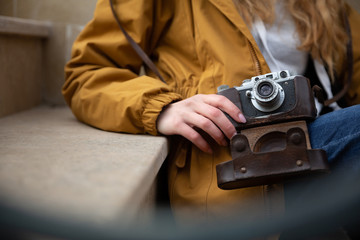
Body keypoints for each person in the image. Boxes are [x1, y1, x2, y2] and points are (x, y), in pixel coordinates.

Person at [63, 0, 360, 226]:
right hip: (238, 160)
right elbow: (86, 75)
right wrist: (161, 107)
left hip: (323, 139)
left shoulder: (331, 7)